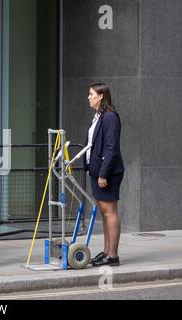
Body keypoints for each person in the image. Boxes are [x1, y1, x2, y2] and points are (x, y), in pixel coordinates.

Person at [83, 83, 125, 267]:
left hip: (107, 173)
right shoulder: (98, 117)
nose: (88, 97)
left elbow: (111, 148)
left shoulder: (109, 117)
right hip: (97, 171)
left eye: (91, 94)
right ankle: (107, 252)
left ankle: (113, 255)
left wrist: (103, 174)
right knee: (104, 212)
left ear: (101, 96)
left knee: (110, 212)